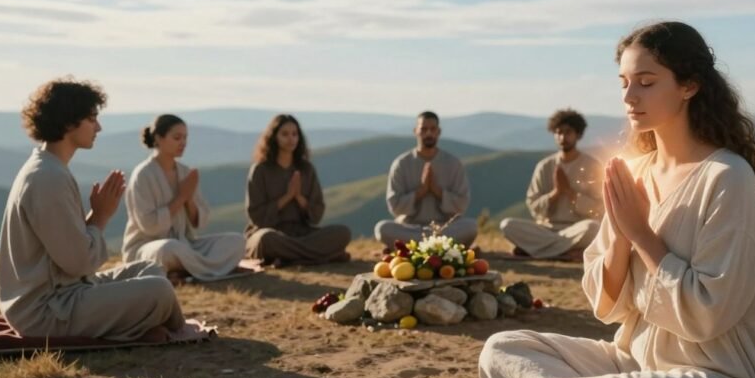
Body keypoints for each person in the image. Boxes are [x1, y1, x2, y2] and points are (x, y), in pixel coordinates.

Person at [478, 22, 755, 378]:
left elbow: (709, 314)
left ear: (690, 85)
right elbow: (606, 303)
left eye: (646, 82)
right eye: (624, 83)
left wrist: (641, 234)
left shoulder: (727, 177)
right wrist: (621, 234)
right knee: (501, 350)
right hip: (634, 361)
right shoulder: (633, 171)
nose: (629, 97)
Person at [0, 77, 185, 340]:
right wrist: (101, 216)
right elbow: (79, 264)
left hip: (66, 294)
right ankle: (180, 330)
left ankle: (157, 326)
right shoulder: (47, 178)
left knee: (149, 269)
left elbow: (68, 251)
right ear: (68, 121)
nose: (99, 127)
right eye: (92, 118)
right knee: (159, 290)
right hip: (47, 312)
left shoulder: (50, 168)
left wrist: (96, 216)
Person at [122, 114, 247, 282]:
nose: (183, 143)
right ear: (158, 138)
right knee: (168, 249)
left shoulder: (185, 173)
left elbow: (200, 222)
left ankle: (186, 270)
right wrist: (180, 198)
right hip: (148, 247)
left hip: (185, 245)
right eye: (177, 137)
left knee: (236, 241)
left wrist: (189, 200)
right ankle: (208, 269)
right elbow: (149, 226)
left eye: (185, 138)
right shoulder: (143, 175)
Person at [245, 114, 351, 265]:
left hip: (300, 233)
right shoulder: (260, 170)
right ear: (273, 137)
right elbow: (256, 217)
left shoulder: (306, 169)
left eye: (295, 134)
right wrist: (287, 197)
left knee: (343, 233)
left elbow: (316, 215)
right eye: (285, 134)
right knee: (266, 239)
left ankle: (289, 258)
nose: (291, 139)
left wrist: (299, 197)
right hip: (269, 233)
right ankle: (320, 257)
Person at [500, 108, 602, 260]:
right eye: (558, 132)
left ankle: (537, 251)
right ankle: (565, 253)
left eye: (568, 132)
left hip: (576, 228)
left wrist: (569, 192)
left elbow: (599, 208)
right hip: (546, 229)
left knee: (593, 228)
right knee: (507, 225)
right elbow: (533, 205)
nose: (562, 137)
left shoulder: (592, 165)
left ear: (578, 135)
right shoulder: (545, 166)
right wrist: (556, 193)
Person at [374, 111, 478, 247]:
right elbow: (395, 207)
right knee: (382, 228)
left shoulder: (453, 163)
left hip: (444, 227)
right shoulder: (401, 164)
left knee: (470, 226)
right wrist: (421, 191)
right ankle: (438, 246)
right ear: (415, 131)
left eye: (432, 129)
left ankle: (415, 246)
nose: (428, 133)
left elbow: (462, 205)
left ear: (438, 132)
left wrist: (437, 191)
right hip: (411, 227)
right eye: (423, 129)